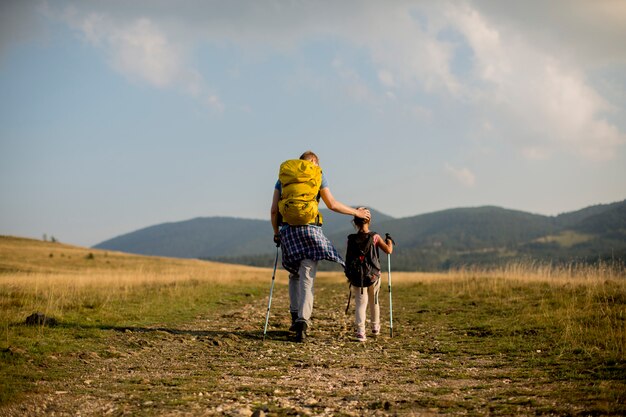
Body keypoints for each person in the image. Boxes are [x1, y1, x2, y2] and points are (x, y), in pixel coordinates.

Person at [271, 151, 370, 342]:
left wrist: (276, 233)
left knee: (294, 273)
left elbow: (274, 210)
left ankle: (294, 315)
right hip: (311, 231)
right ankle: (302, 321)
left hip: (288, 231)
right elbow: (332, 204)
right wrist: (356, 212)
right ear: (315, 162)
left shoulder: (284, 177)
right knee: (307, 276)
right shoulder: (317, 175)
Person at [347, 209, 393, 342]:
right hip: (373, 275)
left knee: (361, 303)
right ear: (369, 221)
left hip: (357, 277)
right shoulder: (375, 237)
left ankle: (361, 332)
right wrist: (389, 241)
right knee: (375, 301)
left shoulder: (351, 239)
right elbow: (388, 251)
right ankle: (375, 327)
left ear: (355, 222)